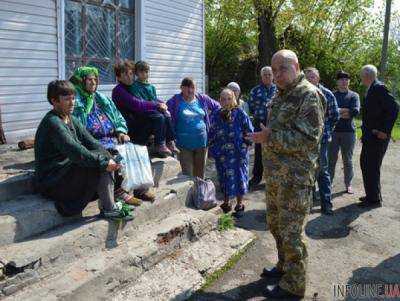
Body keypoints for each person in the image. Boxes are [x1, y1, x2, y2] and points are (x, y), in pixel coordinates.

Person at [248, 50, 325, 299]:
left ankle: (294, 285)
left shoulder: (308, 94)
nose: (277, 75)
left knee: (291, 234)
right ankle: (284, 267)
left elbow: (307, 139)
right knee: (276, 226)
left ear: (296, 66)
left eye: (282, 69)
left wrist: (269, 137)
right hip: (277, 176)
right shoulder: (281, 94)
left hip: (295, 178)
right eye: (274, 70)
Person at [34, 80, 133, 220]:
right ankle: (109, 208)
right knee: (100, 164)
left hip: (67, 170)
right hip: (53, 179)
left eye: (73, 98)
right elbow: (76, 152)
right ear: (54, 101)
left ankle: (109, 200)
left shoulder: (71, 118)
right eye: (67, 99)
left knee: (107, 155)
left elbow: (92, 142)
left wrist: (109, 156)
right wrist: (104, 162)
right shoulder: (53, 123)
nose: (72, 102)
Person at [70, 66, 151, 205]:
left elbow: (118, 117)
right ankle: (119, 192)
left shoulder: (102, 99)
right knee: (114, 154)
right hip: (92, 141)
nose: (93, 82)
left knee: (135, 149)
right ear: (81, 81)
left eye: (95, 79)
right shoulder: (75, 102)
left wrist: (121, 131)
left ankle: (140, 189)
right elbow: (75, 127)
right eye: (89, 79)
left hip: (111, 136)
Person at [112, 60, 178, 158]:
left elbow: (149, 98)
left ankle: (168, 142)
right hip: (130, 127)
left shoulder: (132, 86)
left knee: (165, 115)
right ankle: (159, 145)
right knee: (158, 117)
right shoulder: (119, 90)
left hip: (140, 121)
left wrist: (161, 103)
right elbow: (137, 104)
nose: (129, 77)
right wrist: (157, 105)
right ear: (118, 77)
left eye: (131, 74)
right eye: (125, 75)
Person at [359, 65, 399, 208]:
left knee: (371, 166)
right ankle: (372, 195)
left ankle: (374, 200)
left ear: (367, 76)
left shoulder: (379, 88)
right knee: (366, 163)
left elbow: (394, 108)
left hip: (378, 136)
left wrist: (385, 130)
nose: (360, 78)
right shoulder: (371, 88)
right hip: (370, 135)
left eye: (361, 75)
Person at [209, 88, 254, 216]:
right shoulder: (216, 114)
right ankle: (226, 202)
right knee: (224, 177)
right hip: (222, 154)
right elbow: (211, 132)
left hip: (238, 153)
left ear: (233, 99)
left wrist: (246, 145)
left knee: (240, 177)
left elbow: (249, 130)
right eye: (223, 99)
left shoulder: (240, 112)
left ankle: (239, 205)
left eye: (229, 98)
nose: (226, 101)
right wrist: (213, 149)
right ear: (219, 100)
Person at [167, 77, 220, 178]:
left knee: (200, 174)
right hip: (183, 144)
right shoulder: (175, 101)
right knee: (187, 175)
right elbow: (166, 113)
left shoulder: (202, 98)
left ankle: (200, 193)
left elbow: (217, 107)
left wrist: (211, 121)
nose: (190, 90)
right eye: (187, 87)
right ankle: (190, 193)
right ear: (181, 88)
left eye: (192, 87)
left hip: (202, 143)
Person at [305, 67, 339, 215]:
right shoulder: (301, 94)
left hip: (322, 140)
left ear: (318, 78)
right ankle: (308, 202)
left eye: (313, 77)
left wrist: (326, 130)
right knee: (307, 170)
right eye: (308, 77)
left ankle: (326, 204)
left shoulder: (327, 94)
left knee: (322, 171)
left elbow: (335, 115)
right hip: (304, 140)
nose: (310, 80)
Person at [328, 71, 360, 194]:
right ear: (337, 81)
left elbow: (354, 112)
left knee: (348, 160)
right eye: (341, 79)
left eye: (346, 79)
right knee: (331, 160)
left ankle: (348, 184)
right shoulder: (331, 95)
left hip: (349, 132)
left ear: (349, 81)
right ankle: (328, 183)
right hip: (333, 132)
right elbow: (329, 112)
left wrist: (338, 111)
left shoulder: (354, 95)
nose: (344, 81)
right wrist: (344, 111)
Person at [248, 66, 277, 188]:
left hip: (275, 125)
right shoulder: (255, 91)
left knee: (275, 150)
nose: (267, 76)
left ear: (273, 76)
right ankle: (257, 176)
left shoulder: (279, 89)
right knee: (259, 151)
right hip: (260, 123)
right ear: (261, 76)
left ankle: (274, 177)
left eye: (269, 74)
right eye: (265, 75)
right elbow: (251, 106)